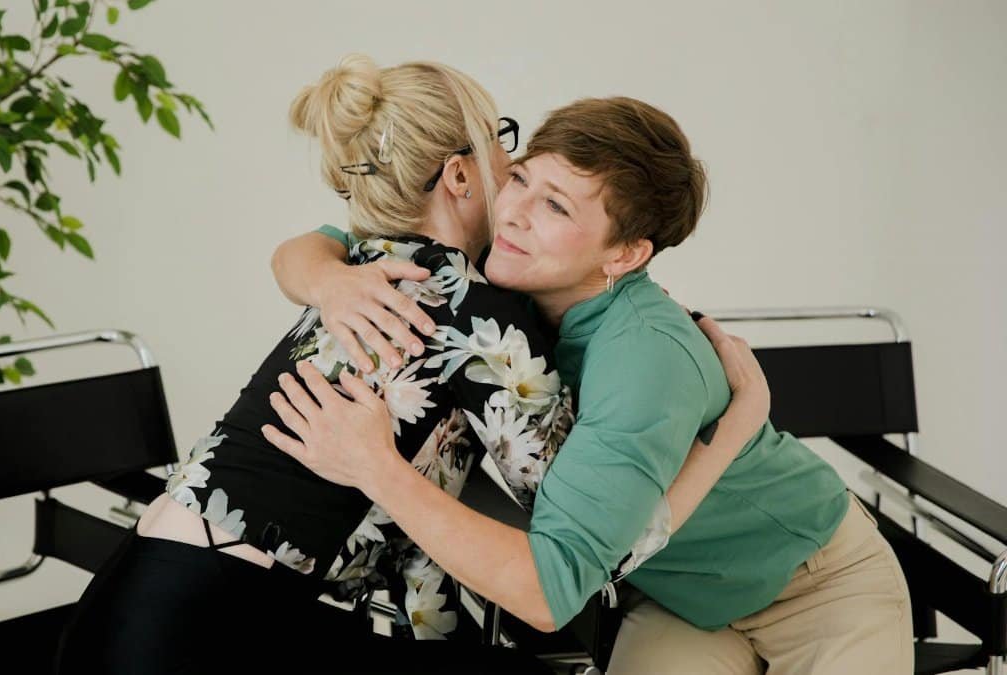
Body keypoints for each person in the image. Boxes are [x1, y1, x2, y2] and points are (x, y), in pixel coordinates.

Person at [54, 57, 762, 675]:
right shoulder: (472, 311)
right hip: (209, 636)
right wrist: (734, 428)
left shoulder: (364, 268)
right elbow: (595, 550)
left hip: (122, 612)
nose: (510, 173)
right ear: (459, 174)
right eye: (501, 149)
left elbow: (416, 539)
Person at [265, 96, 914, 674]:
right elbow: (324, 243)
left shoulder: (644, 357)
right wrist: (330, 282)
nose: (515, 210)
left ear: (624, 254)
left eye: (555, 204)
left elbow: (549, 591)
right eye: (520, 177)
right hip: (679, 596)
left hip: (815, 585)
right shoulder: (508, 254)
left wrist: (376, 466)